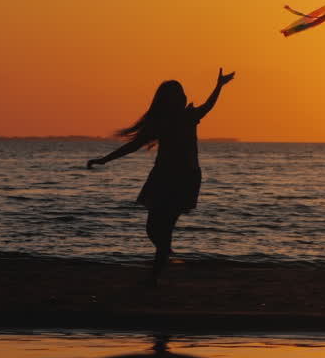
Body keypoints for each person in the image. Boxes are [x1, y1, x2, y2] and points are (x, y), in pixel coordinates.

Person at [87, 68, 235, 284]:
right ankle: (165, 254)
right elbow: (133, 146)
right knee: (153, 228)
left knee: (165, 226)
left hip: (185, 177)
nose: (180, 97)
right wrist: (103, 160)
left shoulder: (189, 116)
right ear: (166, 100)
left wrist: (219, 86)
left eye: (180, 94)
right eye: (174, 95)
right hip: (162, 176)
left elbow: (208, 106)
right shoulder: (160, 123)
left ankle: (155, 273)